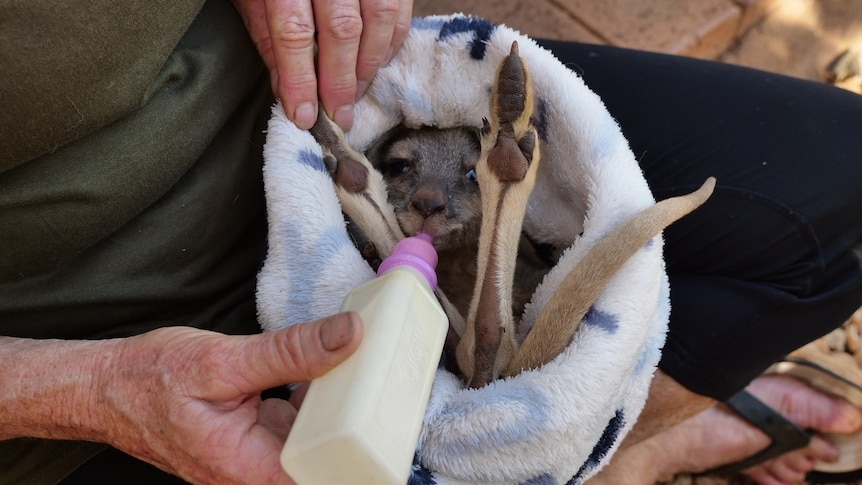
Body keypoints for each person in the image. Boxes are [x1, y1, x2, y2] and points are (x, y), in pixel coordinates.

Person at [1, 1, 860, 485]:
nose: (427, 201)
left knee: (840, 194)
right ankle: (625, 454)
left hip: (303, 114)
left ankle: (598, 447)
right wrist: (91, 388)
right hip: (101, 348)